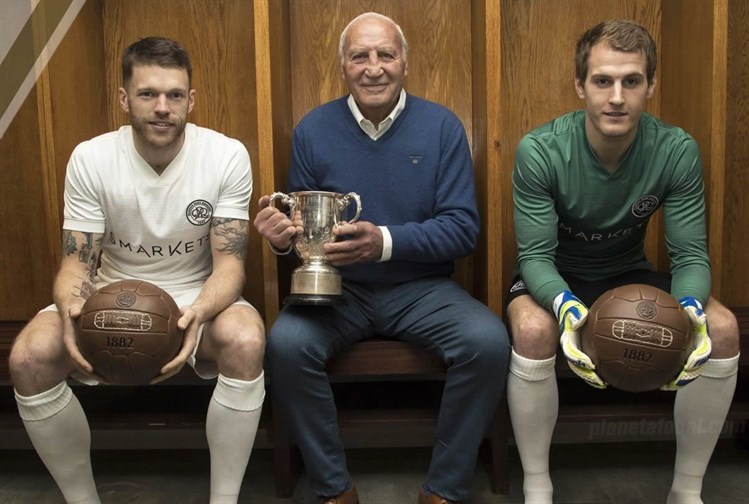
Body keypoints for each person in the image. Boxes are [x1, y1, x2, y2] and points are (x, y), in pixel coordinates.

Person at [253, 12, 510, 504]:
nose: (373, 68)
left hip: (423, 289)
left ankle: (445, 489)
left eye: (385, 54)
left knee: (487, 342)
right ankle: (333, 489)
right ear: (343, 67)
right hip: (337, 292)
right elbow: (304, 229)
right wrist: (281, 241)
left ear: (405, 63)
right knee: (285, 345)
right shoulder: (313, 130)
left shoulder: (442, 127)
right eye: (359, 56)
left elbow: (463, 228)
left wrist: (385, 242)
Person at [8, 37, 265, 504]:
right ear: (125, 98)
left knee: (247, 340)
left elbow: (229, 266)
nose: (162, 107)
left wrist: (197, 315)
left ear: (192, 99)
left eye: (174, 95)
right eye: (148, 94)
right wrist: (71, 310)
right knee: (27, 358)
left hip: (193, 292)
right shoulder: (91, 157)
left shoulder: (226, 155)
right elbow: (77, 261)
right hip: (109, 292)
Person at [506, 19, 740, 504]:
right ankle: (536, 486)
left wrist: (691, 311)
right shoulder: (540, 150)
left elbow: (690, 255)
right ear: (580, 86)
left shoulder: (675, 150)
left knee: (724, 327)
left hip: (626, 276)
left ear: (650, 86)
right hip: (555, 277)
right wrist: (567, 308)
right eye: (602, 81)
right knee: (532, 329)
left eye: (631, 81)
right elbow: (534, 256)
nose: (617, 97)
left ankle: (686, 490)